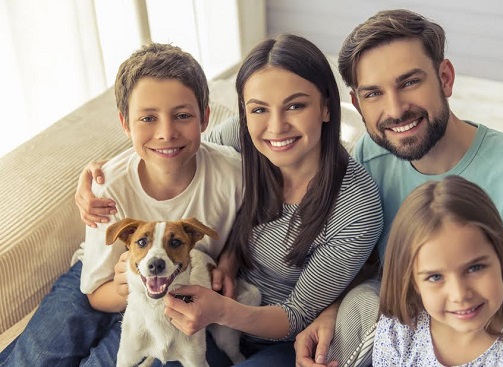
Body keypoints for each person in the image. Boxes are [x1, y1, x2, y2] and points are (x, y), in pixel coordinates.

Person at [73, 34, 384, 365]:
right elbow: (173, 149)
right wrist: (100, 173)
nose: (276, 127)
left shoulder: (356, 209)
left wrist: (219, 310)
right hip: (198, 306)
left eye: (296, 105)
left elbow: (296, 315)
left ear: (325, 106)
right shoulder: (243, 136)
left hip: (276, 337)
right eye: (259, 109)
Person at [295, 8, 503, 367]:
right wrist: (331, 312)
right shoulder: (371, 155)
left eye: (410, 82)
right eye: (374, 94)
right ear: (356, 104)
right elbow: (372, 265)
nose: (396, 110)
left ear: (445, 78)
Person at [0, 43, 243, 366]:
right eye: (148, 118)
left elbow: (247, 232)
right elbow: (95, 293)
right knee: (40, 354)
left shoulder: (233, 174)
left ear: (205, 118)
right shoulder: (107, 185)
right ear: (125, 123)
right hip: (102, 281)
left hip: (170, 284)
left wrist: (228, 261)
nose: (166, 133)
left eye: (182, 115)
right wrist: (127, 287)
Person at [374, 175, 503, 366]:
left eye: (475, 268)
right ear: (413, 282)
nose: (459, 295)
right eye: (435, 277)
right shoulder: (398, 331)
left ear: (500, 257)